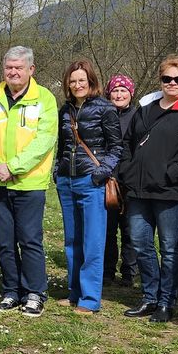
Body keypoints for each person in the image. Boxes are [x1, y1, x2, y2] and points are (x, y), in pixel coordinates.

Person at [118, 56, 178, 322]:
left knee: (170, 248)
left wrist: (170, 173)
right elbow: (127, 144)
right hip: (139, 191)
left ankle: (166, 301)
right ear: (160, 81)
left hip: (172, 192)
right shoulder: (146, 110)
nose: (172, 83)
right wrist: (127, 171)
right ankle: (150, 296)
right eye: (167, 78)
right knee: (141, 244)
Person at [0, 45, 58, 317]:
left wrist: (13, 167)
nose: (13, 72)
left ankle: (34, 292)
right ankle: (11, 290)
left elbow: (44, 141)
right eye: (9, 67)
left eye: (18, 67)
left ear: (31, 69)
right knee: (4, 241)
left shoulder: (44, 99)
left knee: (30, 240)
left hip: (29, 182)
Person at [54, 60, 122, 315]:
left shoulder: (105, 108)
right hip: (67, 181)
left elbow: (116, 147)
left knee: (92, 241)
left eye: (81, 80)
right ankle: (74, 292)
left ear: (91, 81)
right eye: (72, 81)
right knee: (72, 240)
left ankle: (90, 298)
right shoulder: (65, 110)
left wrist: (100, 174)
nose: (77, 85)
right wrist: (57, 170)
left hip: (91, 182)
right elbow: (63, 146)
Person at [103, 75, 138, 286]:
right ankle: (107, 271)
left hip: (131, 179)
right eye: (115, 91)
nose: (119, 94)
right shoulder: (102, 114)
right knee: (107, 229)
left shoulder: (138, 116)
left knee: (130, 229)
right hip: (107, 179)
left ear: (130, 94)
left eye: (123, 90)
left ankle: (129, 272)